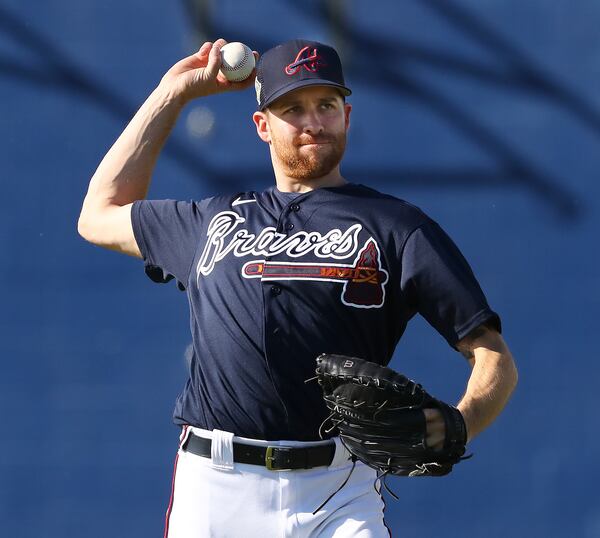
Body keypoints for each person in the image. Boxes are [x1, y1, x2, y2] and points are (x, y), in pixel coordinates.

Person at [78, 38, 518, 537]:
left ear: (346, 116)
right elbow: (98, 215)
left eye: (326, 105)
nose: (313, 122)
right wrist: (171, 95)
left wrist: (461, 423)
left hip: (339, 489)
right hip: (217, 487)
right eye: (293, 108)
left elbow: (492, 354)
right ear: (262, 126)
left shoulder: (398, 227)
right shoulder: (213, 221)